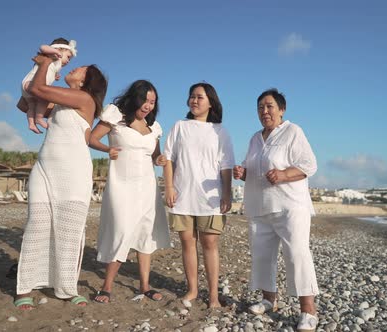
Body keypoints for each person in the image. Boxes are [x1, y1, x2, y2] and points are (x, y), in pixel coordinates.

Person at [13, 53, 108, 310]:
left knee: (69, 230)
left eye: (81, 69)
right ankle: (25, 286)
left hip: (73, 171)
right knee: (37, 224)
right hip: (44, 168)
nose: (74, 67)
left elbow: (39, 89)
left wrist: (45, 61)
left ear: (87, 81)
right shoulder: (60, 101)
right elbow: (25, 103)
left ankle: (66, 288)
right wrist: (39, 68)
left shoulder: (85, 99)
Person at [233, 89, 319, 332]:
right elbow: (255, 170)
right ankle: (269, 299)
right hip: (260, 206)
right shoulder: (254, 138)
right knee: (261, 255)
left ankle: (308, 311)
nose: (264, 111)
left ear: (281, 110)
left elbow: (309, 165)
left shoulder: (293, 131)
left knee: (297, 255)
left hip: (290, 206)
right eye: (260, 107)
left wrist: (283, 175)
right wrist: (243, 173)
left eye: (269, 106)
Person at [88, 80, 171, 303]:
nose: (148, 105)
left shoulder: (154, 127)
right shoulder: (116, 115)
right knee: (122, 230)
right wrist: (108, 149)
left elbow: (155, 156)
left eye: (152, 102)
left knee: (146, 233)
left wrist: (159, 159)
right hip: (121, 184)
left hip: (147, 186)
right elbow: (91, 138)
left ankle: (144, 286)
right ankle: (106, 286)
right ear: (135, 97)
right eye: (145, 100)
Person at [162, 82, 234, 308]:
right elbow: (168, 159)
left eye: (199, 97)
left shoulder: (220, 131)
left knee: (210, 243)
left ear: (211, 102)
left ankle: (213, 295)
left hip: (210, 198)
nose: (194, 100)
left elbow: (226, 165)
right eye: (192, 96)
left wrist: (228, 194)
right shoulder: (180, 126)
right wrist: (170, 187)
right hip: (183, 194)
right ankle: (192, 290)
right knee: (187, 242)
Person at [20, 37, 77, 134]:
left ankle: (31, 124)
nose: (68, 61)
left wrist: (55, 76)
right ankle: (39, 117)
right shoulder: (53, 55)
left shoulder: (56, 64)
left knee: (32, 106)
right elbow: (42, 47)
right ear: (60, 49)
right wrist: (55, 52)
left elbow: (48, 73)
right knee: (47, 96)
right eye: (68, 57)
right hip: (31, 82)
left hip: (28, 87)